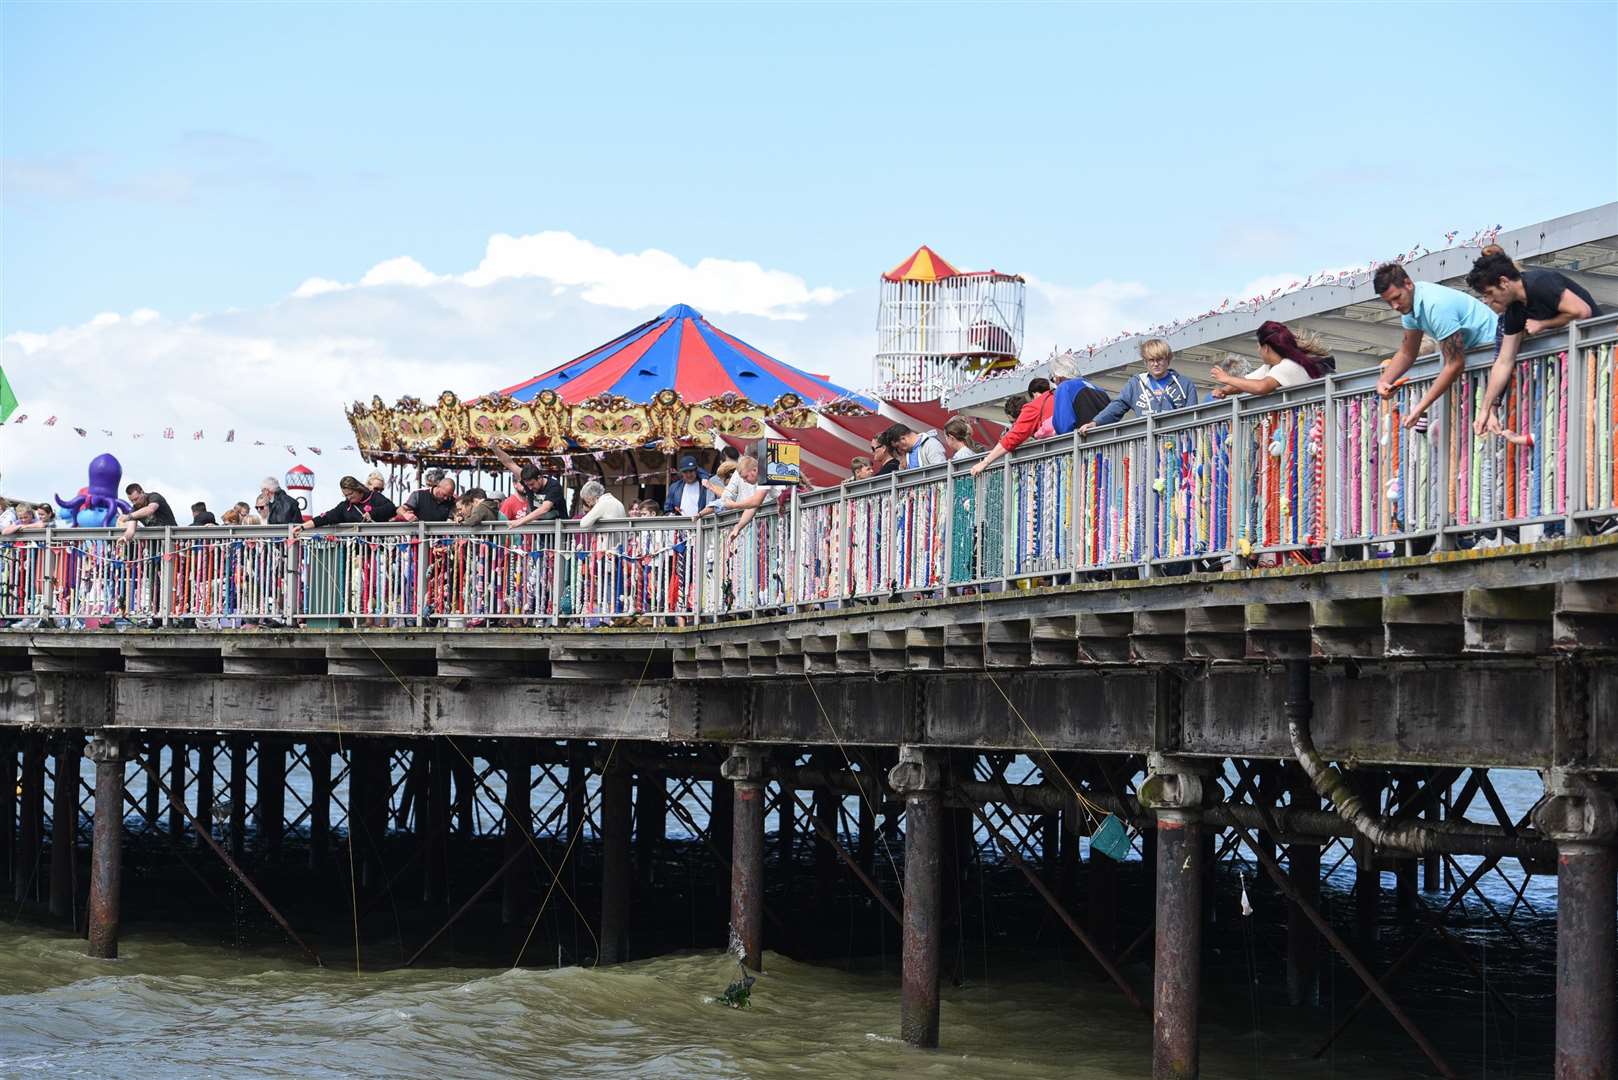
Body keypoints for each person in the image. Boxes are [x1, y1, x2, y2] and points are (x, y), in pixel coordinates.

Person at [1465, 251, 1601, 436]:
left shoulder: (1540, 282)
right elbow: (1504, 361)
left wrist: (1544, 324)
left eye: (1489, 293)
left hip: (1599, 355)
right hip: (1575, 368)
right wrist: (1485, 410)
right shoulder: (1515, 311)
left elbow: (1582, 311)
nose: (1488, 301)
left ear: (1504, 282)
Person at [1373, 262, 1498, 428]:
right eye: (1389, 302)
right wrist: (1383, 381)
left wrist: (1420, 408)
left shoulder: (1435, 305)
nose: (1394, 306)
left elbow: (1454, 364)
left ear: (1408, 284)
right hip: (1480, 366)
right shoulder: (1409, 309)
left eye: (1396, 298)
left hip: (1496, 358)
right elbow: (1407, 353)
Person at [1080, 339, 1198, 432]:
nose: (1155, 364)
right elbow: (1117, 406)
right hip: (1146, 446)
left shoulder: (1185, 384)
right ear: (1145, 362)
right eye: (1151, 360)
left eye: (1160, 359)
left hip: (1178, 447)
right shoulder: (1135, 384)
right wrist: (1095, 423)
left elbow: (1194, 417)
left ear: (1168, 359)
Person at [1209, 321, 1331, 398]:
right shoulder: (1270, 367)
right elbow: (1244, 383)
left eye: (1258, 346)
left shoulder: (1288, 365)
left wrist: (1226, 378)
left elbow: (1261, 387)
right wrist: (1224, 390)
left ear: (1266, 348)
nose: (1258, 350)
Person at [970, 378, 1054, 478]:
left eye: (1013, 422)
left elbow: (1013, 437)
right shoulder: (1057, 397)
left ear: (1035, 394)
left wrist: (985, 462)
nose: (1013, 426)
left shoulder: (1034, 407)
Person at [490, 447, 566, 528]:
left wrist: (519, 522)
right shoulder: (528, 484)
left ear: (539, 478)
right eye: (527, 485)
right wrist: (494, 448)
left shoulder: (554, 486)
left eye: (532, 484)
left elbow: (544, 509)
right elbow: (509, 463)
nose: (529, 488)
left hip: (559, 532)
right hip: (541, 533)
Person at [298, 475, 397, 531]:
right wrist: (302, 527)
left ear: (358, 489)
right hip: (355, 552)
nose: (349, 497)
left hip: (378, 548)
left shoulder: (374, 496)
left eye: (351, 494)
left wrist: (373, 513)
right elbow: (326, 517)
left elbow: (391, 508)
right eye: (346, 495)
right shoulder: (344, 506)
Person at [1047, 353, 1112, 435]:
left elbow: (1063, 427)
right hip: (1108, 443)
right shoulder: (1100, 390)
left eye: (1053, 379)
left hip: (1083, 443)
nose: (1055, 383)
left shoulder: (1064, 387)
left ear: (1057, 376)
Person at [877, 423, 947, 469]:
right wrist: (902, 468)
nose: (899, 450)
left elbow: (940, 469)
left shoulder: (931, 444)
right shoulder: (906, 454)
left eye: (897, 446)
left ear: (903, 439)